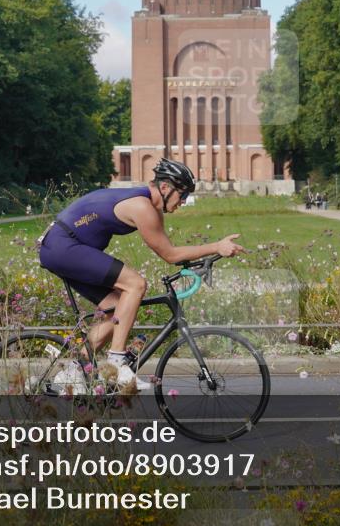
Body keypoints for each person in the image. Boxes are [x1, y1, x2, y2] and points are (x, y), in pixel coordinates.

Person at [38, 159, 244, 392]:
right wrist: (216, 246)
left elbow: (169, 250)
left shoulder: (151, 207)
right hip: (63, 246)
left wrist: (201, 259)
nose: (184, 202)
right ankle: (117, 362)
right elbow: (170, 254)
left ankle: (75, 369)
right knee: (135, 285)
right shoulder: (143, 207)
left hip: (61, 247)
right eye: (183, 194)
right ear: (165, 188)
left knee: (116, 308)